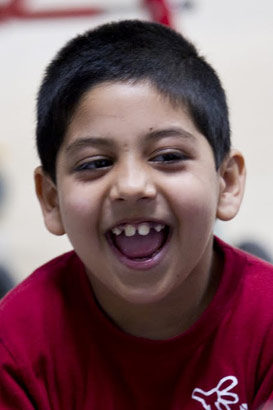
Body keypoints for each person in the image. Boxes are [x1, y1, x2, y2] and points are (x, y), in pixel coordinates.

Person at [0, 20, 272, 409]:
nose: (130, 185)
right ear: (51, 200)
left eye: (168, 156)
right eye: (95, 163)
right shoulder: (14, 346)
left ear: (226, 183)